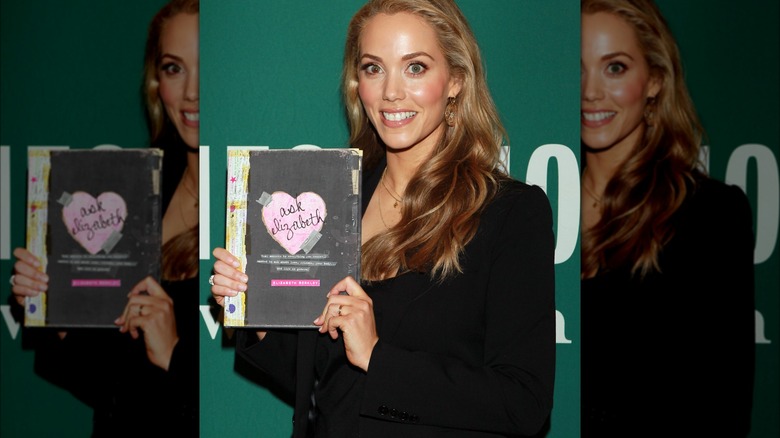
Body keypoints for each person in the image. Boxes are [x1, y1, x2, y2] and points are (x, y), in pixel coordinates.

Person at [210, 0, 556, 436]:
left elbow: (523, 402)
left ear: (456, 82)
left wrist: (377, 357)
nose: (391, 92)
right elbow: (326, 383)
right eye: (374, 68)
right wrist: (256, 310)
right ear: (358, 84)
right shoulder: (338, 203)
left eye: (415, 68)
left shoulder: (508, 212)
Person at [9, 0, 200, 436]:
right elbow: (108, 383)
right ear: (156, 83)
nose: (192, 92)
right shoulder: (137, 190)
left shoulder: (249, 209)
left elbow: (256, 394)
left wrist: (173, 353)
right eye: (174, 68)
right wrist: (53, 307)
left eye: (206, 66)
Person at [579, 0, 755, 435]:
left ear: (654, 80)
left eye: (615, 68)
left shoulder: (709, 213)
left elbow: (725, 404)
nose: (590, 91)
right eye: (576, 67)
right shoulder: (538, 208)